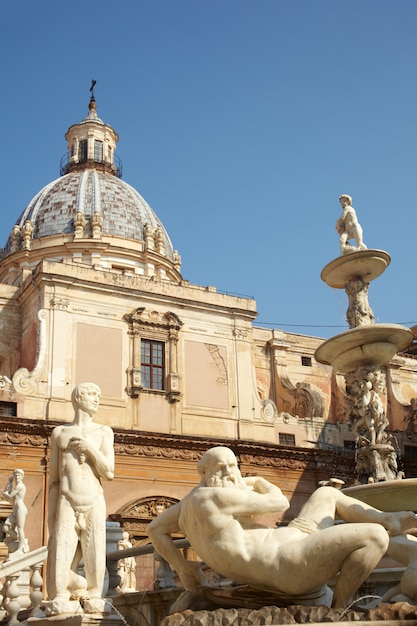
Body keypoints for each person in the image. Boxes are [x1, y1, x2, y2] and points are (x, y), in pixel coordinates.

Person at [148, 446, 417, 609]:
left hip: (293, 541)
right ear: (205, 473)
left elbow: (155, 529)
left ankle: (388, 518)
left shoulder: (189, 503)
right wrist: (257, 479)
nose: (231, 473)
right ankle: (338, 609)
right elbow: (277, 501)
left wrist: (182, 568)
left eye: (234, 466)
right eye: (224, 468)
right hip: (289, 566)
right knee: (374, 537)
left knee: (327, 495)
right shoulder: (216, 497)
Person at [47, 382, 114, 608]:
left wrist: (90, 449)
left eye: (98, 395)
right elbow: (55, 479)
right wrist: (51, 516)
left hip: (93, 497)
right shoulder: (59, 433)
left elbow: (109, 472)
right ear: (78, 399)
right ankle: (60, 595)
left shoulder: (103, 432)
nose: (96, 399)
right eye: (92, 395)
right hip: (67, 497)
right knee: (62, 548)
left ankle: (95, 594)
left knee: (95, 549)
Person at [2, 468, 29, 554]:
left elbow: (9, 496)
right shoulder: (15, 485)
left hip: (20, 508)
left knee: (20, 529)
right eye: (16, 475)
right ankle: (20, 539)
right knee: (5, 528)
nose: (17, 477)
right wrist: (9, 483)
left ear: (22, 477)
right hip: (15, 510)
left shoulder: (20, 486)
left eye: (19, 475)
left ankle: (20, 548)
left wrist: (5, 493)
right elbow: (8, 494)